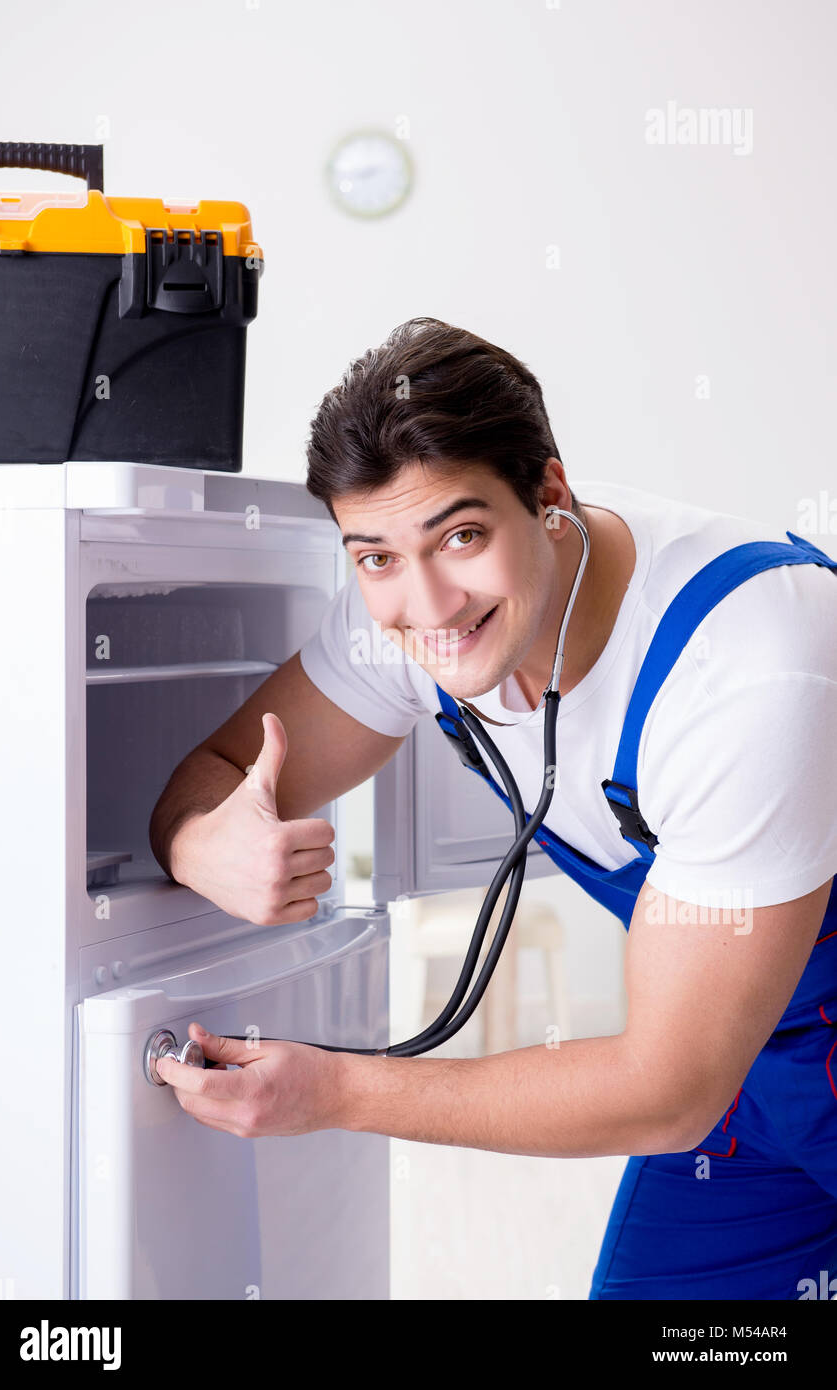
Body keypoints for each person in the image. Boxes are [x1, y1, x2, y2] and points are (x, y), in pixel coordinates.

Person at [149, 317, 837, 1300]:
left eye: (461, 536)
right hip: (747, 1071)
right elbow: (216, 767)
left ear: (550, 495)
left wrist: (337, 1089)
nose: (425, 604)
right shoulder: (402, 626)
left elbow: (669, 1089)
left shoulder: (750, 663)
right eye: (374, 555)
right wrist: (197, 840)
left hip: (711, 1063)